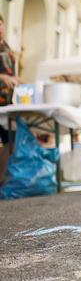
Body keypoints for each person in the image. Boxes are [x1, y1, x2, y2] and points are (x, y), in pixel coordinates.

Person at [0, 13, 17, 183]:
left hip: (8, 103)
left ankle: (2, 180)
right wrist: (1, 77)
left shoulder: (7, 47)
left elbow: (11, 73)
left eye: (0, 24)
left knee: (11, 140)